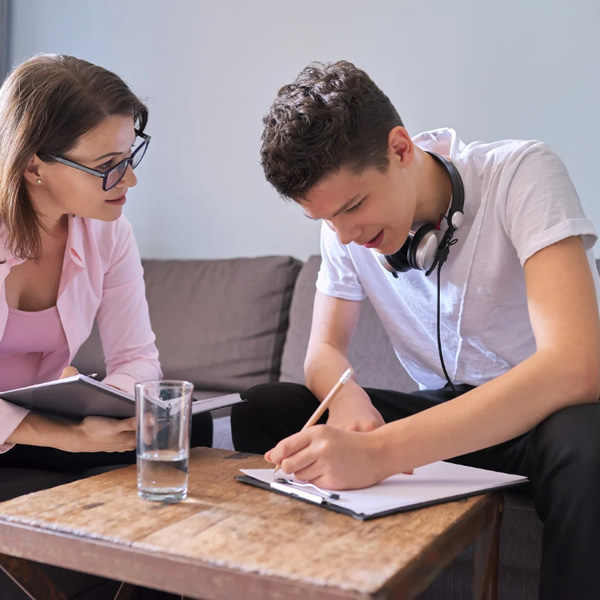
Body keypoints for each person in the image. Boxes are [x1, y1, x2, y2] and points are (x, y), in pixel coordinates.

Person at [230, 60, 600, 600]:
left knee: (590, 441)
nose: (346, 235)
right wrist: (350, 403)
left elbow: (576, 366)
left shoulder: (521, 172)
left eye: (354, 207)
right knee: (265, 408)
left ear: (401, 148)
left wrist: (379, 453)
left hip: (545, 415)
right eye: (326, 221)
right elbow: (324, 352)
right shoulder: (344, 233)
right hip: (451, 417)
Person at [0, 54, 212, 479]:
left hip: (33, 424)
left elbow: (137, 358)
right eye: (106, 167)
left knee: (185, 425)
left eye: (129, 156)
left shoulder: (109, 234)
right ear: (32, 165)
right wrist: (70, 437)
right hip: (29, 429)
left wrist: (109, 408)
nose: (129, 179)